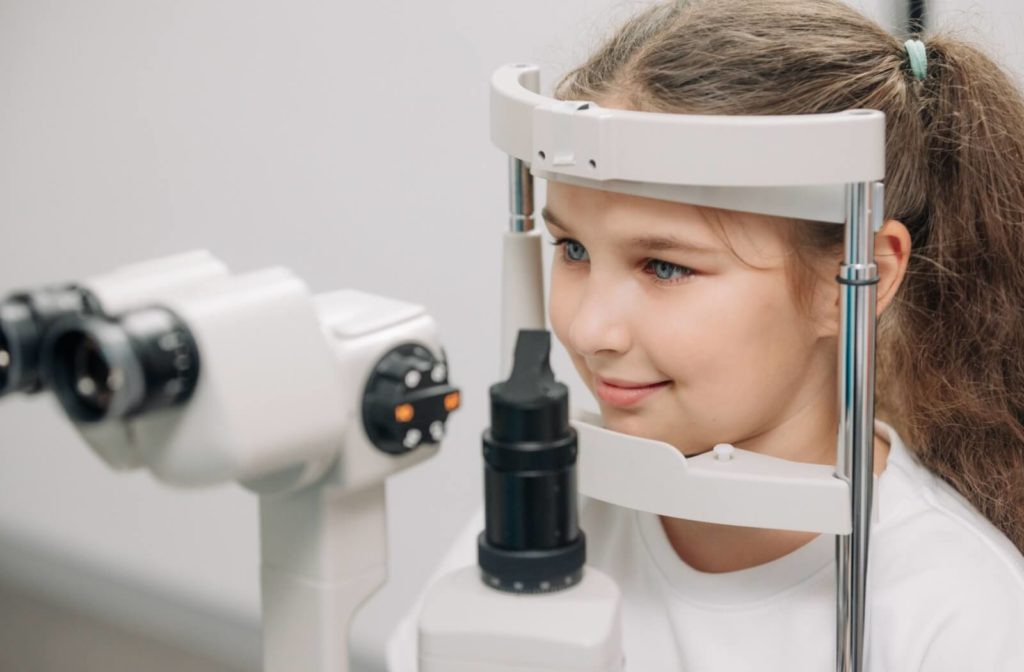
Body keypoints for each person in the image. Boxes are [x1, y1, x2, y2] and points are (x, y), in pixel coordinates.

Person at [389, 0, 1024, 669]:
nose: (589, 328)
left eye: (665, 266)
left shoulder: (962, 622)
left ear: (854, 278)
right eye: (572, 250)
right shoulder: (548, 512)